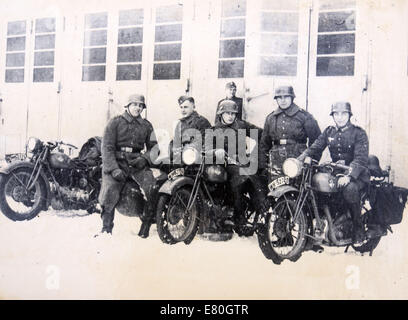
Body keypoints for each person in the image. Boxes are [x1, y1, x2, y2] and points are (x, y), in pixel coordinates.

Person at [298, 101, 370, 243]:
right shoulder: (329, 131)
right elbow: (315, 147)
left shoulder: (358, 133)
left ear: (349, 115)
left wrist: (349, 176)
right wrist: (298, 160)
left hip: (357, 175)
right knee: (317, 183)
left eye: (343, 114)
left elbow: (360, 159)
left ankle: (358, 229)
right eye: (336, 114)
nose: (340, 117)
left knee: (350, 189)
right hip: (337, 172)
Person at [97, 94, 159, 238]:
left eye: (140, 105)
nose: (137, 108)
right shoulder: (115, 122)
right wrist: (113, 169)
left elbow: (154, 148)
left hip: (137, 163)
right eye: (134, 104)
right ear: (128, 106)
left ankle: (145, 228)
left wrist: (144, 158)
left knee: (153, 187)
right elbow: (107, 148)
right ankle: (106, 229)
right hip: (118, 162)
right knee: (110, 189)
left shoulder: (146, 125)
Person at [207, 100, 266, 232]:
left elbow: (263, 135)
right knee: (236, 180)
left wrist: (256, 154)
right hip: (225, 165)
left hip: (242, 162)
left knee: (254, 181)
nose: (230, 116)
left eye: (233, 113)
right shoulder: (214, 129)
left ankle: (256, 215)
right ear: (221, 114)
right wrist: (216, 152)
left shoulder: (242, 125)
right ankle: (234, 218)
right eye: (227, 113)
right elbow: (207, 149)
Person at [259, 85, 321, 171]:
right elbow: (264, 144)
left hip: (298, 159)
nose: (283, 100)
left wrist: (312, 160)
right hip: (275, 161)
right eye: (279, 97)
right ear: (276, 99)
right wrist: (263, 165)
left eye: (286, 97)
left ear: (292, 98)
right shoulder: (271, 118)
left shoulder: (304, 116)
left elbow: (317, 141)